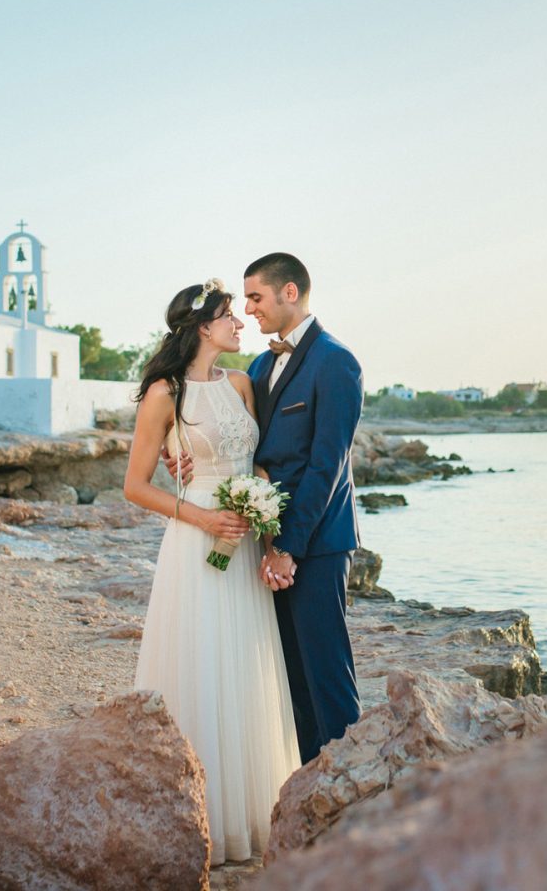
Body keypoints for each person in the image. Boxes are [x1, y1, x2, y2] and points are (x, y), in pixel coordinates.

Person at [124, 279, 300, 866]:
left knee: (245, 667)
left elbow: (258, 462)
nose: (241, 323)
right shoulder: (163, 394)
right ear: (203, 327)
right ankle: (199, 820)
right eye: (230, 316)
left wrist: (266, 530)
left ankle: (249, 817)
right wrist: (202, 517)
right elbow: (135, 486)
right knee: (200, 663)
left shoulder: (243, 382)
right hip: (196, 542)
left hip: (245, 542)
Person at [166, 253, 364, 765]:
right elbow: (243, 448)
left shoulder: (337, 362)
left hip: (315, 546)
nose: (248, 309)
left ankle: (353, 797)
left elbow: (329, 467)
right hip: (264, 543)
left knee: (327, 676)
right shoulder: (256, 367)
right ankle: (308, 793)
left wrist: (290, 549)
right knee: (287, 679)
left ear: (290, 292)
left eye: (255, 297)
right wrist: (183, 456)